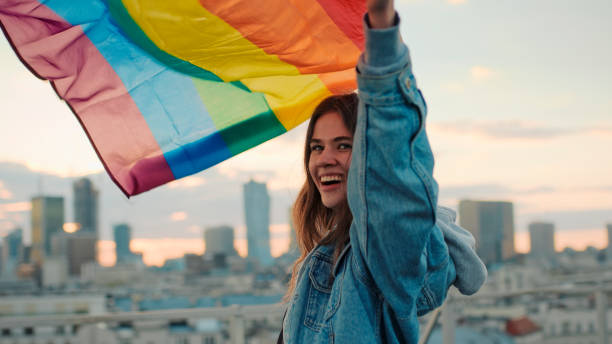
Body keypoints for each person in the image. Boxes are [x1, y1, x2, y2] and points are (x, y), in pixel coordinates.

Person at [280, 0, 487, 343]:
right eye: (317, 147)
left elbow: (394, 174)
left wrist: (381, 28)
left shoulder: (377, 251)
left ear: (368, 159)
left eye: (343, 145)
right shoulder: (329, 252)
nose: (324, 159)